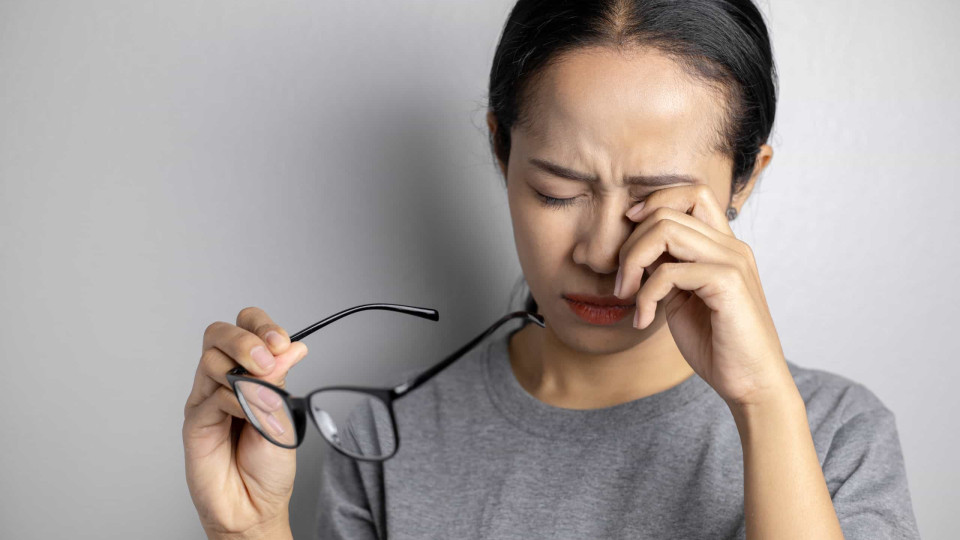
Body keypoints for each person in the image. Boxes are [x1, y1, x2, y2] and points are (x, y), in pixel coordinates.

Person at [182, 0, 922, 538]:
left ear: (744, 182)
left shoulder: (832, 436)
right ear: (501, 151)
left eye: (654, 201)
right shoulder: (381, 441)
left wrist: (764, 406)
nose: (600, 251)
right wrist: (248, 534)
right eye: (557, 192)